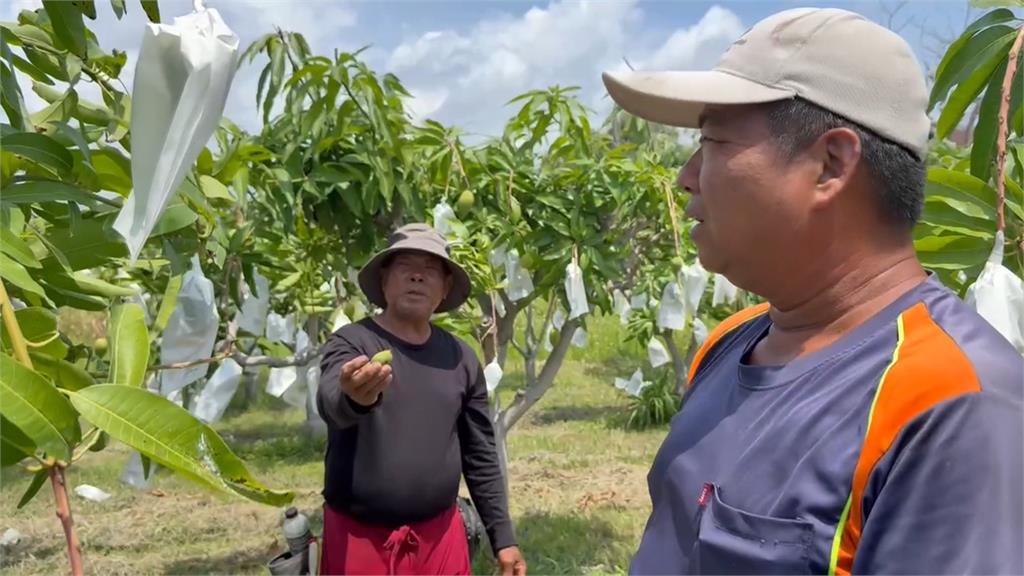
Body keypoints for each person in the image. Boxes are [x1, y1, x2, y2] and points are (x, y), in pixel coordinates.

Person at [602, 7, 1024, 575]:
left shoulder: (950, 401)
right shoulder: (730, 343)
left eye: (713, 142)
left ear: (830, 163)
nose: (687, 174)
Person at [316, 223, 526, 576]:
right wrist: (354, 397)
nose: (417, 276)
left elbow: (479, 454)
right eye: (404, 266)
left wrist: (502, 536)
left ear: (444, 289)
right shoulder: (353, 343)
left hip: (440, 540)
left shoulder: (461, 358)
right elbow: (331, 401)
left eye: (430, 270)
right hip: (360, 543)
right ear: (384, 280)